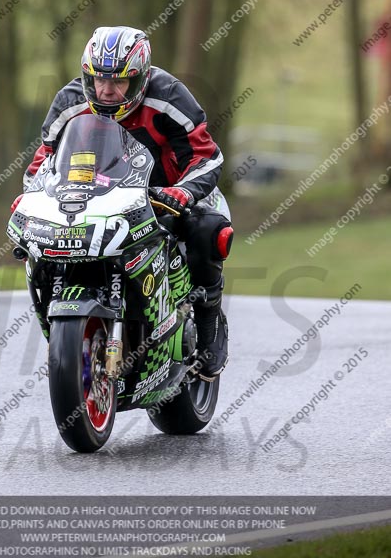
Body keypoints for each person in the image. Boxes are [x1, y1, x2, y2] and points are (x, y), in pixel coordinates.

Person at [22, 26, 234, 378]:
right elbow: (43, 162)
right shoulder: (69, 102)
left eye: (120, 82)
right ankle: (64, 330)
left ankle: (209, 323)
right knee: (38, 248)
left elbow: (206, 157)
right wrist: (33, 199)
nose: (106, 90)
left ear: (141, 78)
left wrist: (181, 192)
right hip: (92, 201)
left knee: (208, 228)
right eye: (97, 79)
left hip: (164, 196)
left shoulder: (170, 97)